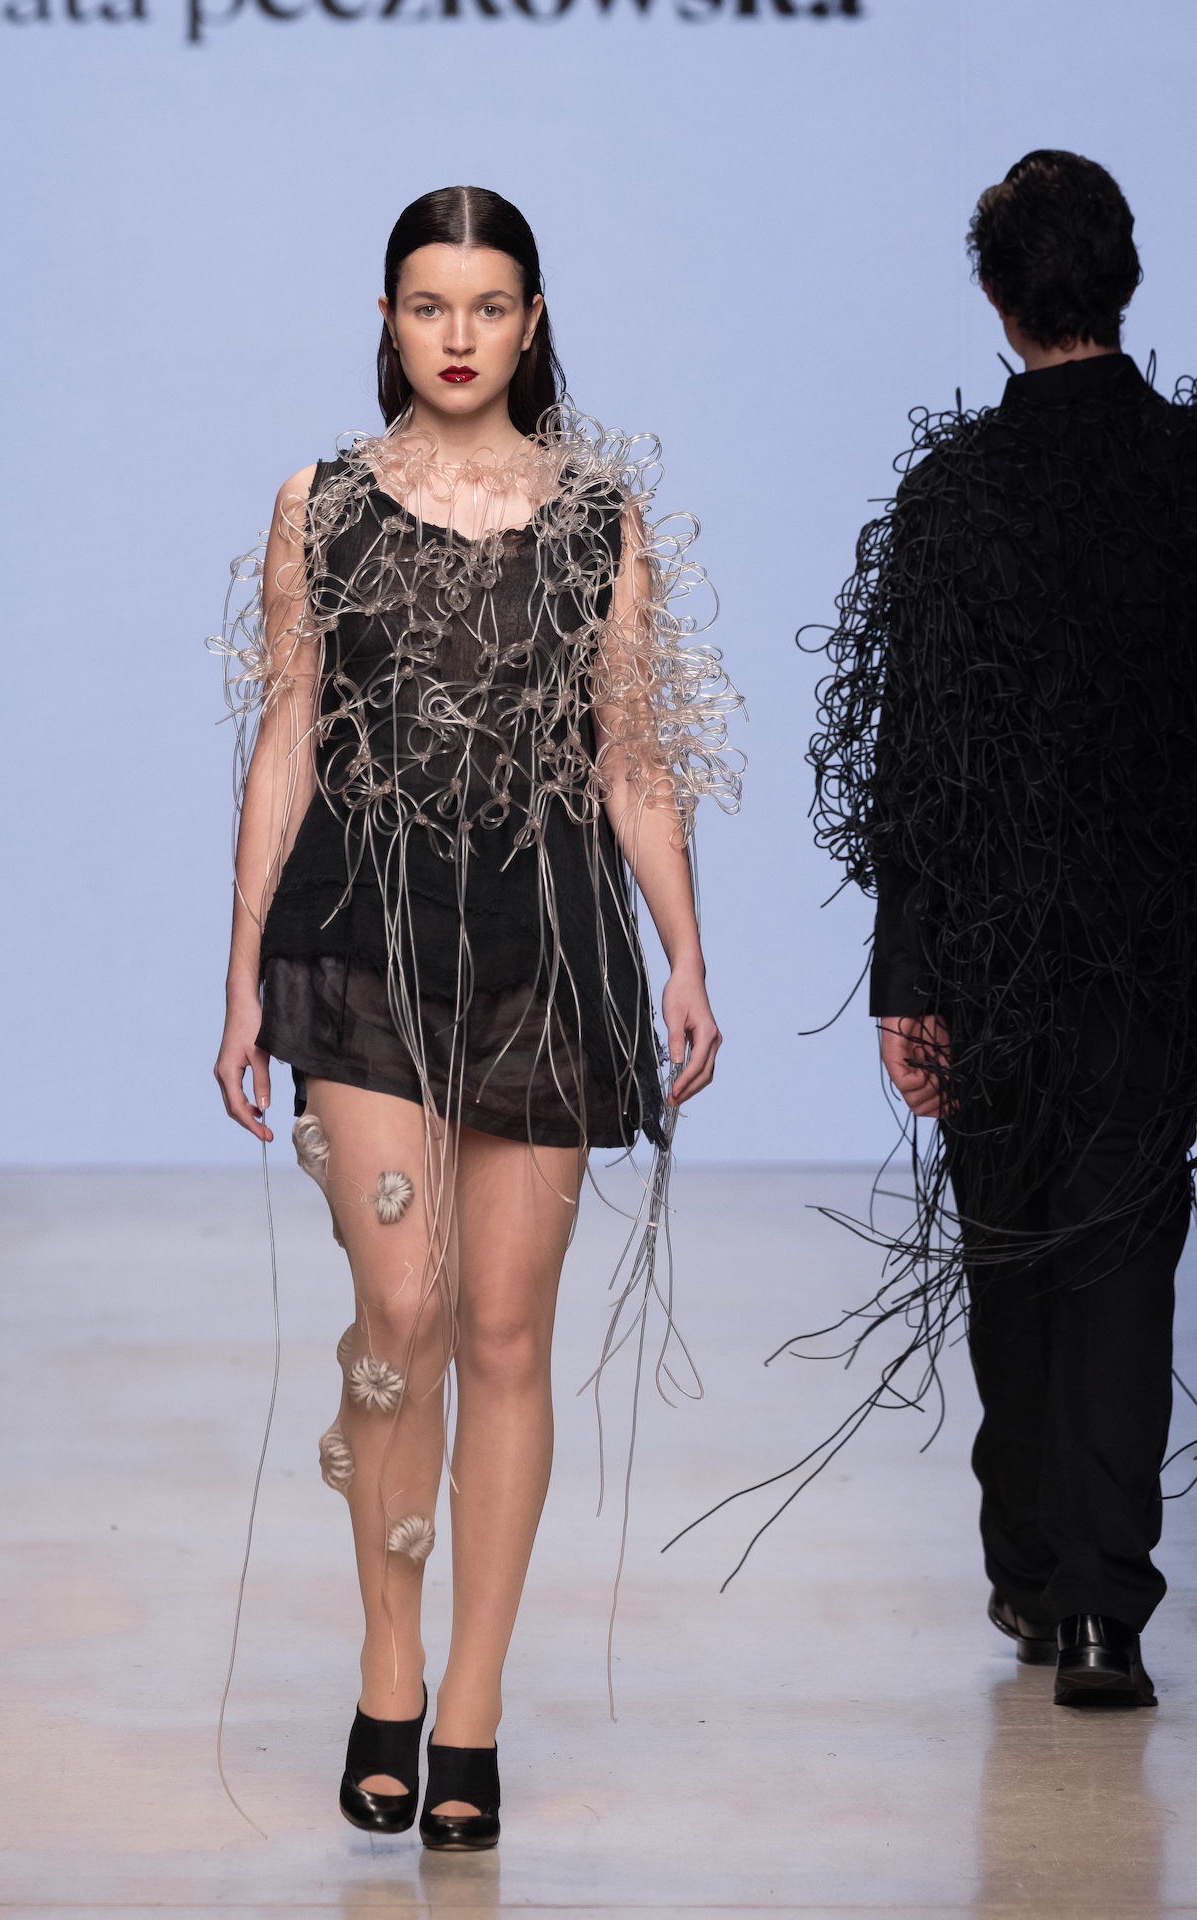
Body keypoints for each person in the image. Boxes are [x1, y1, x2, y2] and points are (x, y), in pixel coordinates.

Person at [212, 187, 740, 1847]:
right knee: (404, 1311)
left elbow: (629, 749)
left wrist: (684, 952)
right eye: (428, 304)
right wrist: (239, 971)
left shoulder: (597, 520)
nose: (457, 335)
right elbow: (287, 735)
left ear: (530, 322)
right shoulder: (318, 507)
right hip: (358, 942)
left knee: (506, 1335)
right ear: (386, 319)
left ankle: (473, 1712)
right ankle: (388, 1666)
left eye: (488, 305)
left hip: (548, 953)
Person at [806, 151, 1197, 1709]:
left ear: (993, 296)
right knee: (1121, 1253)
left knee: (1011, 1252)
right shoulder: (1187, 477)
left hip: (991, 947)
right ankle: (1101, 1611)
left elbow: (914, 760)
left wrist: (907, 979)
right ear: (1125, 277)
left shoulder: (951, 495)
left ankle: (1034, 1578)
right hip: (1156, 943)